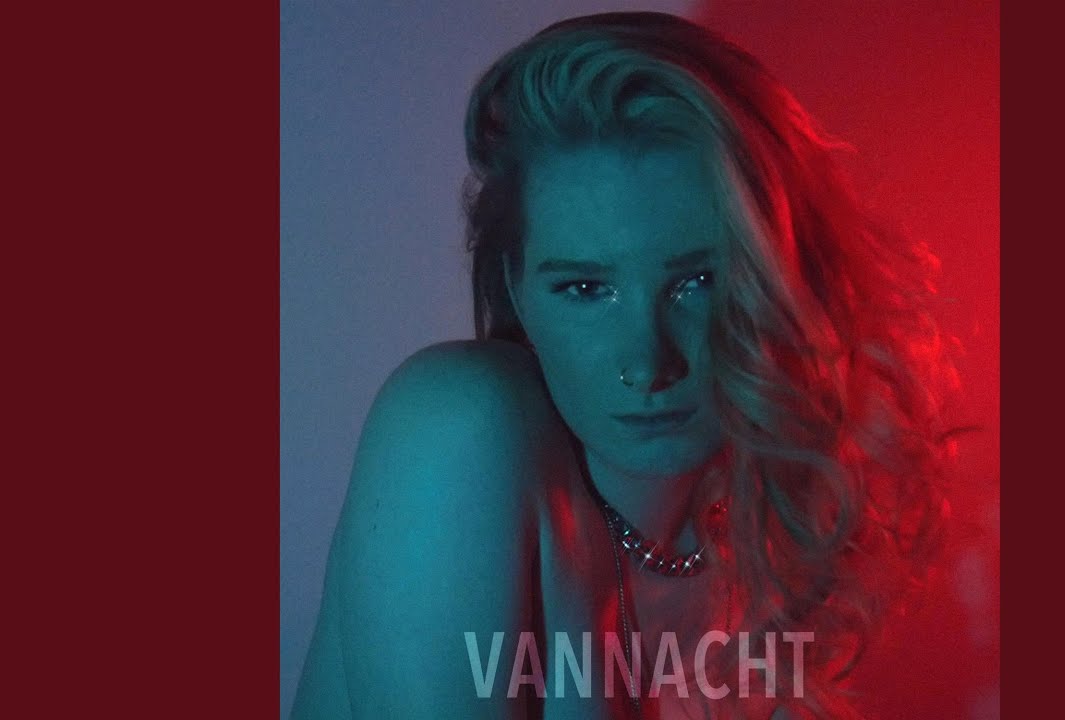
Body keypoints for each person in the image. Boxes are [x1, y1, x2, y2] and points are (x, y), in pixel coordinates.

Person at [292, 11, 953, 719]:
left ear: (781, 277)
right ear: (515, 286)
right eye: (585, 289)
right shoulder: (456, 427)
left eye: (698, 282)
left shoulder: (771, 535)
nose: (648, 362)